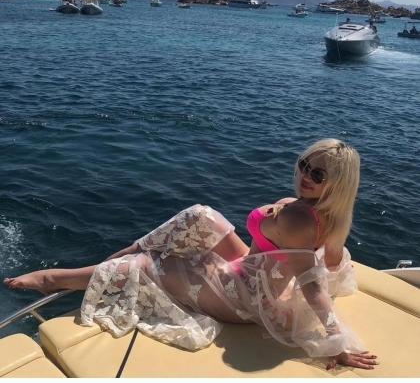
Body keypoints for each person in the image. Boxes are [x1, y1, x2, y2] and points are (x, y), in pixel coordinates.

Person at [3, 138, 378, 371]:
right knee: (200, 215)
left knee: (147, 264)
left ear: (337, 185)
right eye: (304, 165)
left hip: (246, 298)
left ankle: (55, 279)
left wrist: (338, 342)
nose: (306, 175)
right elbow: (331, 262)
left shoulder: (299, 220)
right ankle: (119, 256)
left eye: (318, 174)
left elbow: (313, 286)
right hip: (249, 268)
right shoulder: (325, 215)